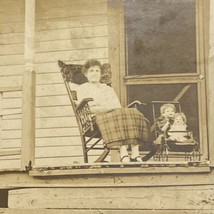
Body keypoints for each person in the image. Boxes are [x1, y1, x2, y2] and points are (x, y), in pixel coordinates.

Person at [76, 59, 156, 162]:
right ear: (86, 74)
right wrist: (107, 108)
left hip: (112, 113)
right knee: (118, 115)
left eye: (97, 71)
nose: (95, 73)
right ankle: (123, 153)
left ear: (100, 74)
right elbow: (89, 109)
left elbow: (117, 106)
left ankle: (135, 154)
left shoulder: (108, 88)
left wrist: (110, 108)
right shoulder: (83, 88)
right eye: (91, 71)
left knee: (134, 113)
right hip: (95, 119)